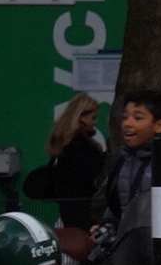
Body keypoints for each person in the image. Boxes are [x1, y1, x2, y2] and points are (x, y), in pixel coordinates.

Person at [90, 90, 161, 242]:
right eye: (125, 117)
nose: (127, 123)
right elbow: (118, 202)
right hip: (128, 248)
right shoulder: (120, 161)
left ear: (159, 126)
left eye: (138, 118)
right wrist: (108, 224)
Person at [25, 93, 105, 231]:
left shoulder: (64, 144)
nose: (95, 122)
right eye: (93, 117)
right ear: (82, 117)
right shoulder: (80, 146)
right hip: (85, 211)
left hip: (69, 209)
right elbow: (91, 177)